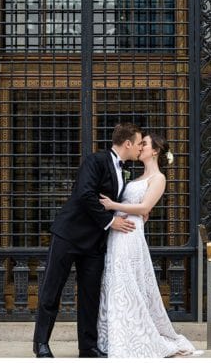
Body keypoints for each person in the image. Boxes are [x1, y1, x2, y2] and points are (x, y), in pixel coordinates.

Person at [33, 123, 145, 358]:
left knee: (89, 295)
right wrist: (109, 221)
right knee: (52, 290)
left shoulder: (125, 170)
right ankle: (41, 344)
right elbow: (85, 193)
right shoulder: (95, 160)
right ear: (127, 143)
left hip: (95, 243)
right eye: (138, 143)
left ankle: (87, 347)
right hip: (69, 235)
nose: (140, 148)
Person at [98, 132, 202, 358]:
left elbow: (144, 208)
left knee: (128, 282)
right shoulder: (134, 178)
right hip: (117, 231)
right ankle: (117, 336)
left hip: (131, 234)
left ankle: (136, 338)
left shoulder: (159, 178)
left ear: (154, 151)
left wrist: (112, 205)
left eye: (144, 143)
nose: (140, 146)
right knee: (116, 281)